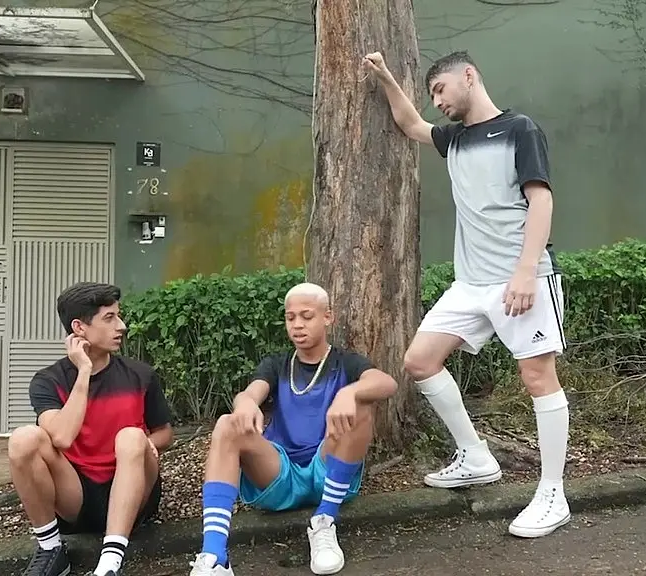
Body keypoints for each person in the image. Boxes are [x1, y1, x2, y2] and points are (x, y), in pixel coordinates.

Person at [362, 49, 571, 539]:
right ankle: (476, 457)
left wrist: (524, 273)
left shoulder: (520, 129)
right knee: (419, 361)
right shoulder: (454, 138)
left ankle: (553, 493)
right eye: (432, 94)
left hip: (522, 279)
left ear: (469, 77)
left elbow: (541, 199)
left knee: (538, 378)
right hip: (470, 284)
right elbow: (410, 124)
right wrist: (387, 77)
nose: (436, 102)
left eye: (440, 90)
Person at [187, 282, 398, 576]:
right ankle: (214, 557)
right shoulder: (277, 364)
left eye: (307, 316)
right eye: (290, 317)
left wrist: (349, 393)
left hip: (328, 471)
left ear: (327, 317)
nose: (297, 325)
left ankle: (324, 521)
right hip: (280, 474)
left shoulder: (346, 362)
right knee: (226, 424)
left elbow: (387, 383)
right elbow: (251, 392)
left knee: (362, 404)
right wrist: (245, 403)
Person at [8, 282, 175, 576]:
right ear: (79, 328)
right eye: (109, 318)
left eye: (119, 316)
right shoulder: (49, 380)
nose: (121, 326)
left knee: (131, 436)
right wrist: (84, 371)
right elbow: (61, 437)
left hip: (134, 491)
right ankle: (51, 550)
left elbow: (165, 434)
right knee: (23, 439)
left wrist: (143, 444)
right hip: (76, 496)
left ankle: (110, 563)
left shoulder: (141, 375)